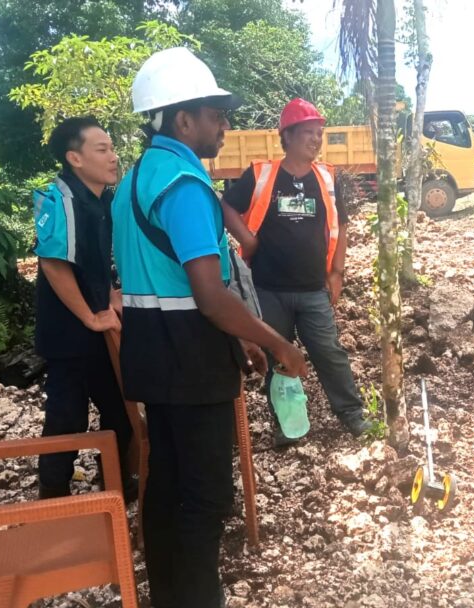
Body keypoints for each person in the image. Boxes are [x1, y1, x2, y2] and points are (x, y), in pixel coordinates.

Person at [112, 47, 308, 608]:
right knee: (206, 497)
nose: (224, 125)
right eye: (215, 114)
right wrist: (276, 342)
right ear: (182, 120)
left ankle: (167, 596)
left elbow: (171, 281)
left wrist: (239, 336)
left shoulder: (136, 180)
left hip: (153, 351)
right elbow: (207, 292)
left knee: (167, 482)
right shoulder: (184, 184)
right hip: (189, 359)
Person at [221, 98, 369, 445]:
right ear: (287, 136)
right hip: (268, 288)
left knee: (329, 351)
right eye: (308, 133)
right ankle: (288, 427)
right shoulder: (262, 175)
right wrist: (246, 239)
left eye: (319, 133)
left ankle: (352, 414)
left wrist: (337, 273)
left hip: (313, 288)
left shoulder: (327, 178)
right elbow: (225, 205)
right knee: (278, 358)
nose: (316, 140)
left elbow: (341, 227)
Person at [31, 116, 135, 500]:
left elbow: (94, 261)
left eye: (112, 148)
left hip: (98, 324)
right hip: (68, 331)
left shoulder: (102, 198)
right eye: (103, 149)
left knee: (118, 407)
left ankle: (116, 486)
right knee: (66, 416)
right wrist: (90, 316)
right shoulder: (61, 198)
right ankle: (53, 495)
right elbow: (54, 264)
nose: (113, 156)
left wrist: (109, 295)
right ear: (75, 157)